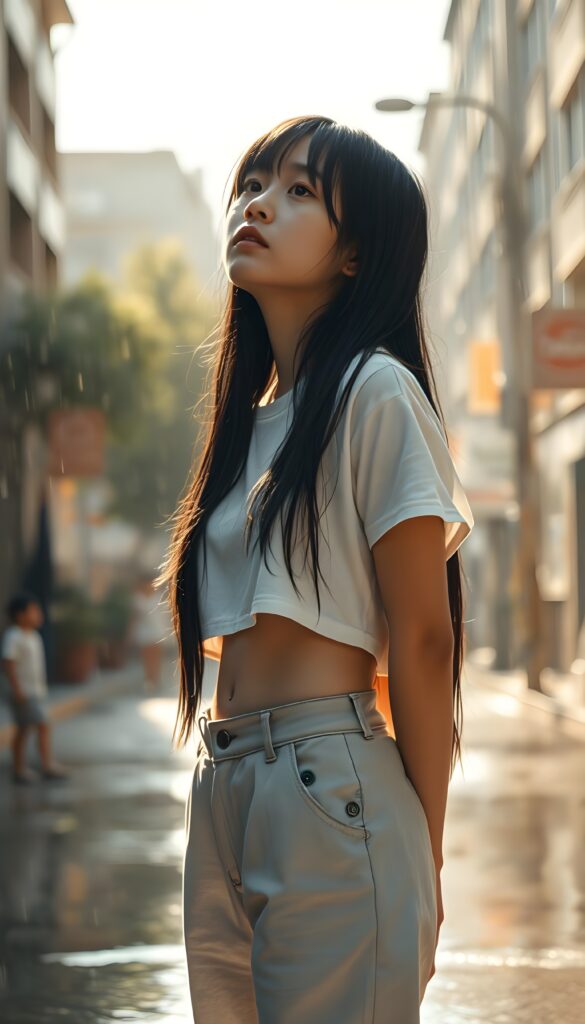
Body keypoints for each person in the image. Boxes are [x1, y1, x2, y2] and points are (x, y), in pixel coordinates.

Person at [158, 115, 475, 1023]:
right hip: (226, 784)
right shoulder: (249, 425)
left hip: (325, 783)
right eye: (256, 181)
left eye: (300, 191)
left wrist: (425, 845)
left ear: (354, 255)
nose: (258, 202)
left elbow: (420, 637)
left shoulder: (376, 391)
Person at [1, 591, 69, 784]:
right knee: (42, 724)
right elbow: (9, 663)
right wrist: (16, 689)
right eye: (33, 611)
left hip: (35, 691)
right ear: (20, 615)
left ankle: (19, 768)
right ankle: (46, 765)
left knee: (23, 729)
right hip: (23, 693)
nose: (39, 615)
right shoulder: (14, 637)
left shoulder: (33, 636)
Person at [130, 574, 167, 692]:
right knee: (146, 657)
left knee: (156, 656)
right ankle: (148, 680)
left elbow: (164, 615)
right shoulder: (138, 598)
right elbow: (134, 617)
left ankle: (156, 679)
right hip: (144, 631)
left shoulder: (158, 597)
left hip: (157, 630)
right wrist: (131, 632)